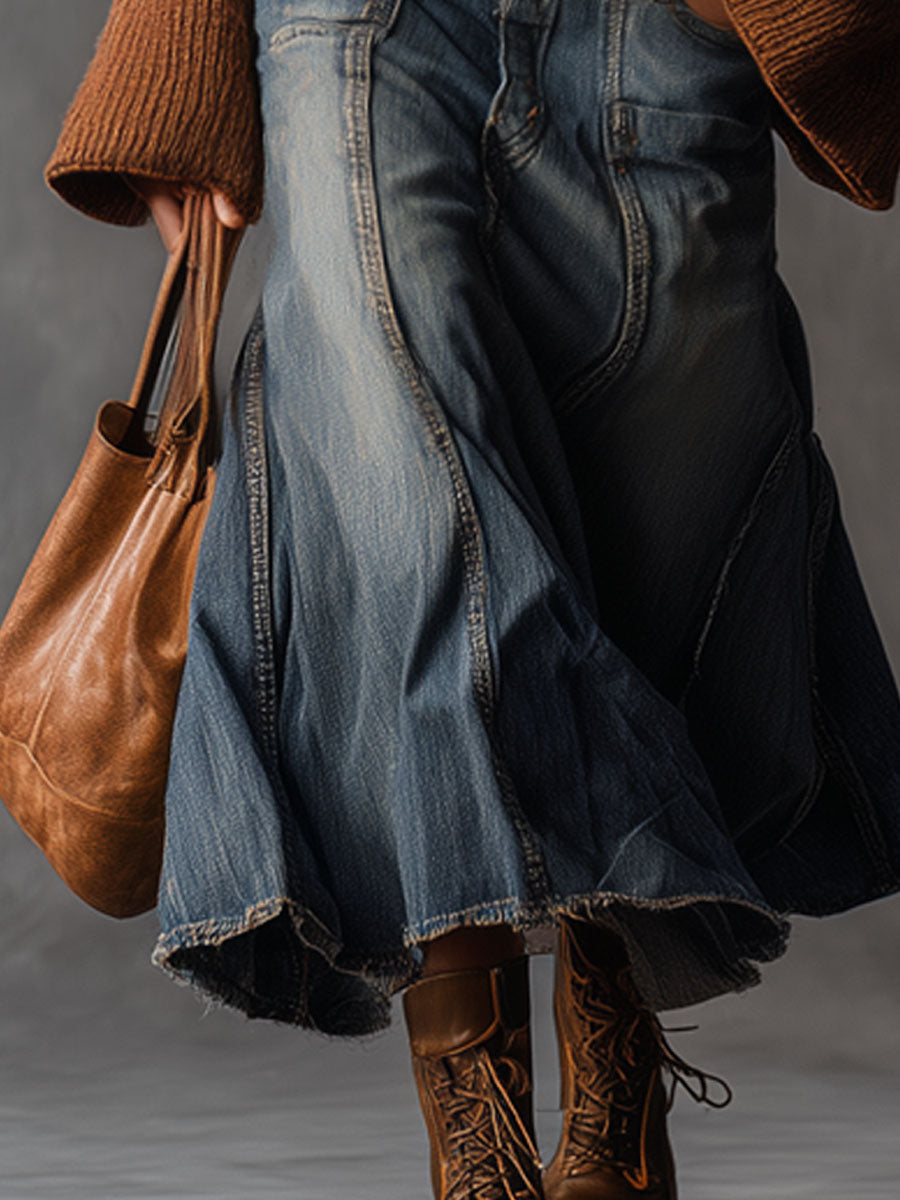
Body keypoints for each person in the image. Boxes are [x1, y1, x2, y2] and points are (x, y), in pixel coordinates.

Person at [43, 0, 900, 1195]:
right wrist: (175, 49)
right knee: (405, 486)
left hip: (661, 26)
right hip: (360, 20)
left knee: (667, 509)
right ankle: (472, 1106)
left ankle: (614, 1044)